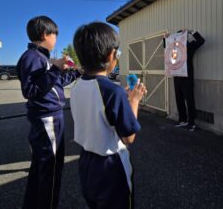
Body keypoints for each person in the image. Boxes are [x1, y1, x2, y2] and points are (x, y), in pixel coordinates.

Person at [70, 21, 146, 209]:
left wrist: (125, 101)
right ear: (110, 54)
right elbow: (129, 137)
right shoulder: (113, 91)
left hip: (86, 163)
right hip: (111, 167)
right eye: (117, 53)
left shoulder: (76, 86)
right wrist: (134, 101)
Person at [17, 16, 81, 209]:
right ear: (45, 34)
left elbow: (56, 83)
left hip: (50, 118)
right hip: (48, 119)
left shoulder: (41, 57)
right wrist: (55, 69)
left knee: (40, 168)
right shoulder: (32, 57)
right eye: (55, 35)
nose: (56, 39)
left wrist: (76, 72)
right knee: (51, 170)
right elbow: (30, 91)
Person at [164, 30, 205, 132]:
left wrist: (191, 32)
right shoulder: (174, 48)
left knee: (189, 100)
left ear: (184, 38)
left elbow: (201, 41)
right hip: (176, 76)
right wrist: (166, 38)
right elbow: (166, 48)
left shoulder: (189, 47)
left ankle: (192, 123)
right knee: (179, 99)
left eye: (181, 37)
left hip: (187, 77)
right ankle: (182, 119)